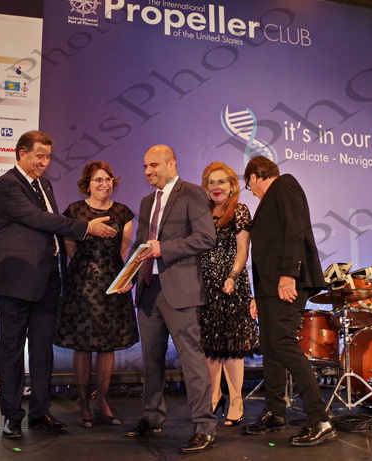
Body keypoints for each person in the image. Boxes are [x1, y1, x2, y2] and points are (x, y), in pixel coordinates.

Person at [0, 130, 117, 439]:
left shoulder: (44, 185)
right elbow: (38, 219)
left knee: (43, 350)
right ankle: (12, 416)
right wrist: (85, 228)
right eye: (39, 156)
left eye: (48, 157)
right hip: (15, 279)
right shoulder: (7, 184)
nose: (44, 162)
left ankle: (40, 412)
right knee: (11, 350)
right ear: (22, 154)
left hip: (47, 278)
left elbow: (49, 227)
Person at [121, 145, 218, 454]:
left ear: (172, 163)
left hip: (180, 290)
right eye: (145, 166)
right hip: (148, 289)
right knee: (151, 359)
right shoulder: (147, 201)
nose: (148, 171)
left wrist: (164, 248)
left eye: (154, 165)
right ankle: (152, 416)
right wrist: (128, 276)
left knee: (191, 359)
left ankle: (204, 426)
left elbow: (206, 237)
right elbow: (141, 244)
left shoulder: (192, 193)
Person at [241, 156, 335, 446]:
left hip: (286, 281)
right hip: (270, 287)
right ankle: (275, 413)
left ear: (255, 176)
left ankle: (319, 418)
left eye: (249, 187)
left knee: (282, 342)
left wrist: (288, 274)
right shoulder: (272, 197)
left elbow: (295, 230)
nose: (252, 192)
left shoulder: (284, 185)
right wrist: (258, 294)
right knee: (270, 347)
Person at [54, 161, 139, 428]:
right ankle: (83, 403)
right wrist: (86, 269)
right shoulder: (75, 210)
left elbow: (122, 252)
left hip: (111, 285)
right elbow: (69, 247)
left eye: (108, 179)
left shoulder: (123, 212)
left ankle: (102, 401)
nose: (104, 184)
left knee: (107, 345)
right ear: (87, 184)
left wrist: (112, 275)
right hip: (80, 285)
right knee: (82, 345)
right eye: (98, 180)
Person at [199, 162, 259, 427]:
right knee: (210, 344)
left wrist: (232, 276)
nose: (216, 187)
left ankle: (236, 399)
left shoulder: (240, 210)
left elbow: (243, 250)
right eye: (211, 182)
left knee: (232, 346)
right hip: (205, 286)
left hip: (232, 284)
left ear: (232, 185)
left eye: (221, 182)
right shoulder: (201, 212)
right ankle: (214, 395)